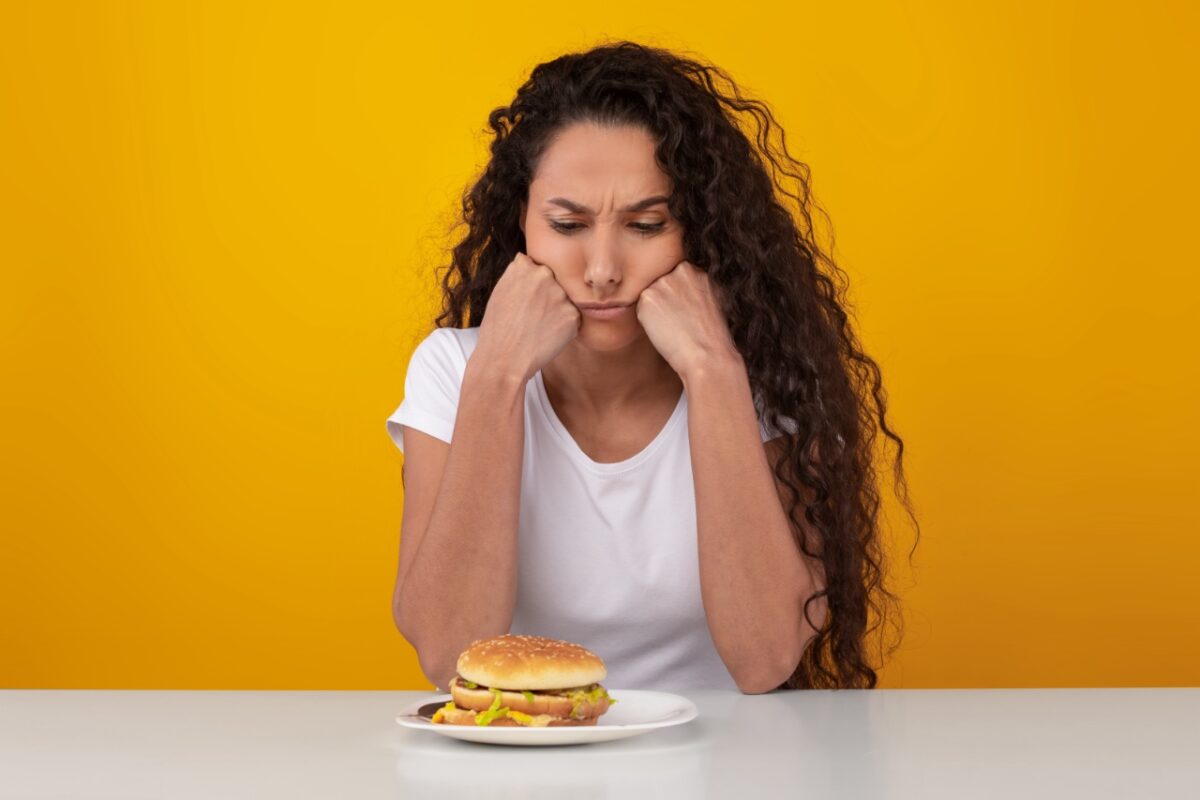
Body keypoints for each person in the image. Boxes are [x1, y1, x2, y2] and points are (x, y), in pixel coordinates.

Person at [385, 40, 918, 693]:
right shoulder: (455, 371)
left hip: (727, 771)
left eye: (646, 225)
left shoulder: (757, 372)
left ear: (699, 231)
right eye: (567, 224)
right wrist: (498, 372)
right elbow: (450, 654)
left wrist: (712, 368)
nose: (603, 268)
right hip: (525, 768)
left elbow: (766, 658)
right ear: (522, 221)